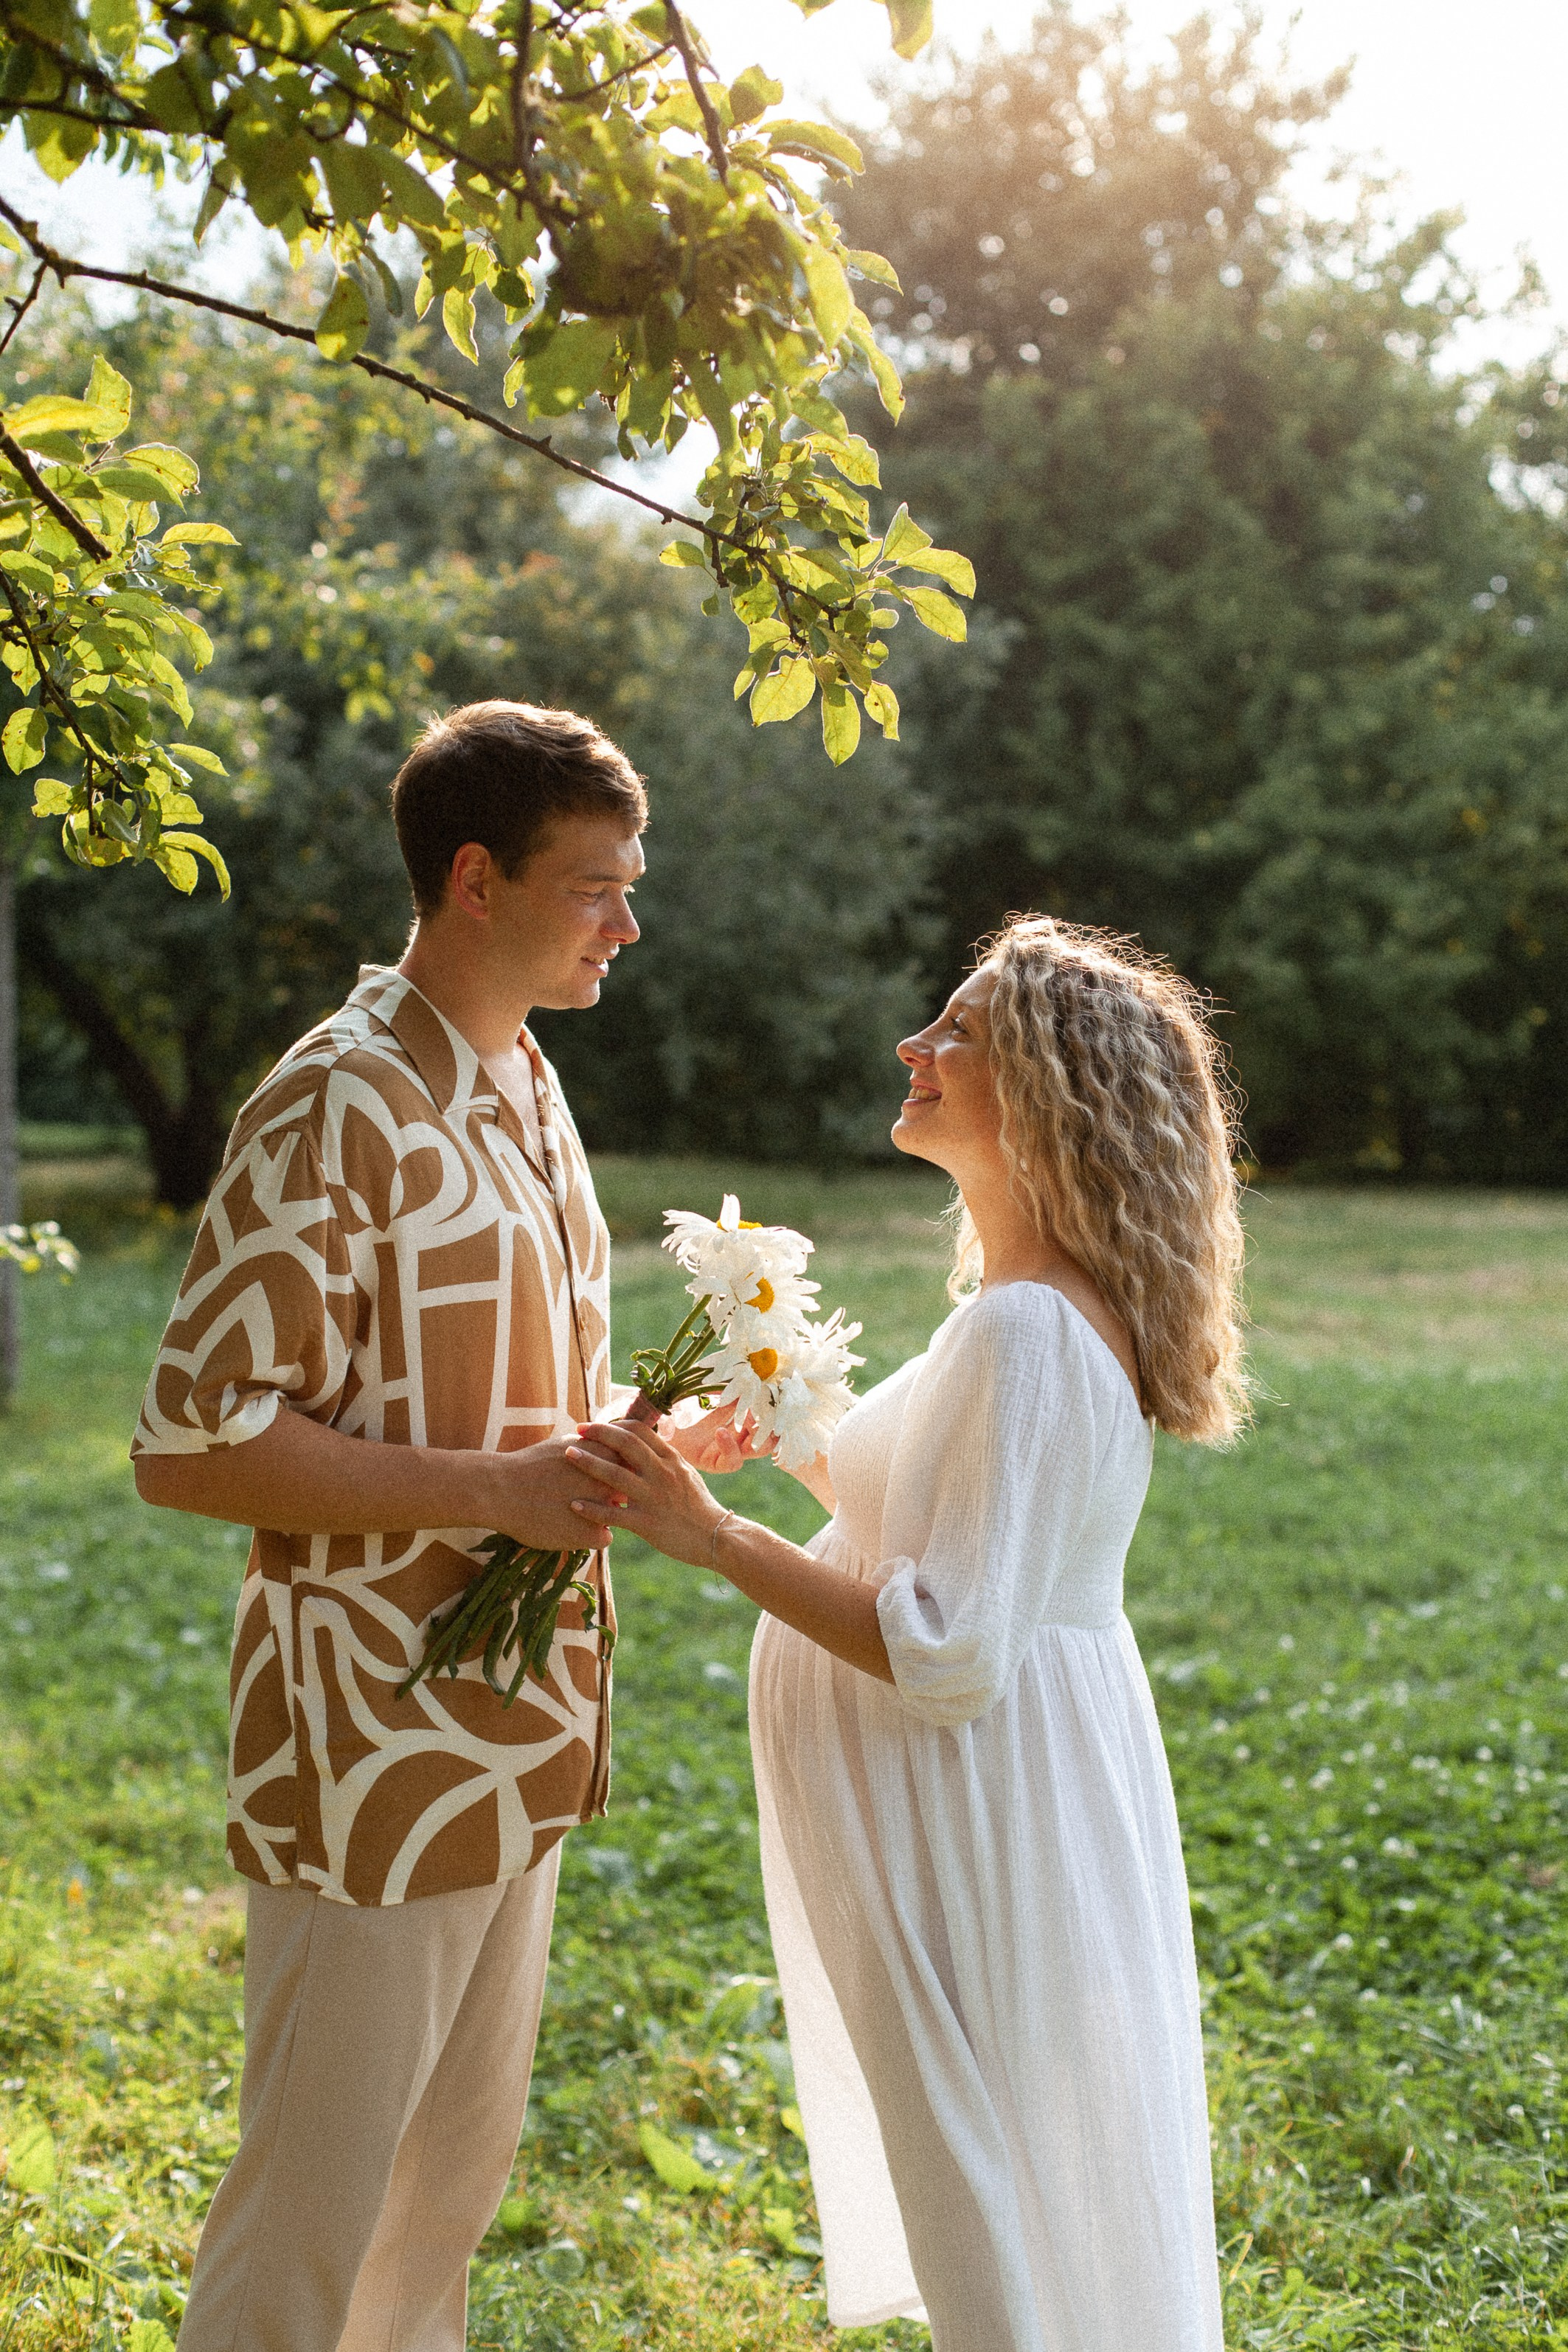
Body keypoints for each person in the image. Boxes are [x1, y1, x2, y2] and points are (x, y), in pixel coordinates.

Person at [130, 700, 749, 2352]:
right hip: (369, 1749)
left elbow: (510, 1388)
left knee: (441, 2204)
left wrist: (658, 1440)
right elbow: (193, 1440)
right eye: (594, 885)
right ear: (475, 879)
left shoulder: (530, 1078)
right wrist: (492, 1493)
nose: (628, 918)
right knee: (313, 2216)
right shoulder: (335, 1102)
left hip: (518, 1739)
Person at [566, 916, 1248, 2352]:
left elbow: (946, 1645)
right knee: (997, 2174)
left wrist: (707, 1532)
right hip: (986, 1801)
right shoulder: (1008, 1314)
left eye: (955, 1030)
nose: (912, 1046)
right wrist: (780, 1441)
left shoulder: (1028, 1332)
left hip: (980, 1813)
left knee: (999, 2185)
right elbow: (928, 1513)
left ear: (1050, 1091)